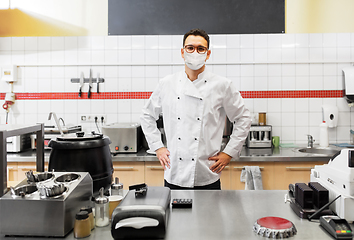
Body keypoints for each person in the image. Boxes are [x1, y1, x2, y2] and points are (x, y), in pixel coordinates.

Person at [140, 28, 251, 190]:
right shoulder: (167, 83)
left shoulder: (222, 85)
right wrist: (158, 147)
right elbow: (147, 115)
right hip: (174, 173)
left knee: (209, 216)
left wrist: (229, 152)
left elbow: (243, 118)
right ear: (182, 52)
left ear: (208, 54)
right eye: (190, 48)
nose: (195, 52)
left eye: (201, 49)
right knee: (175, 216)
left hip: (206, 172)